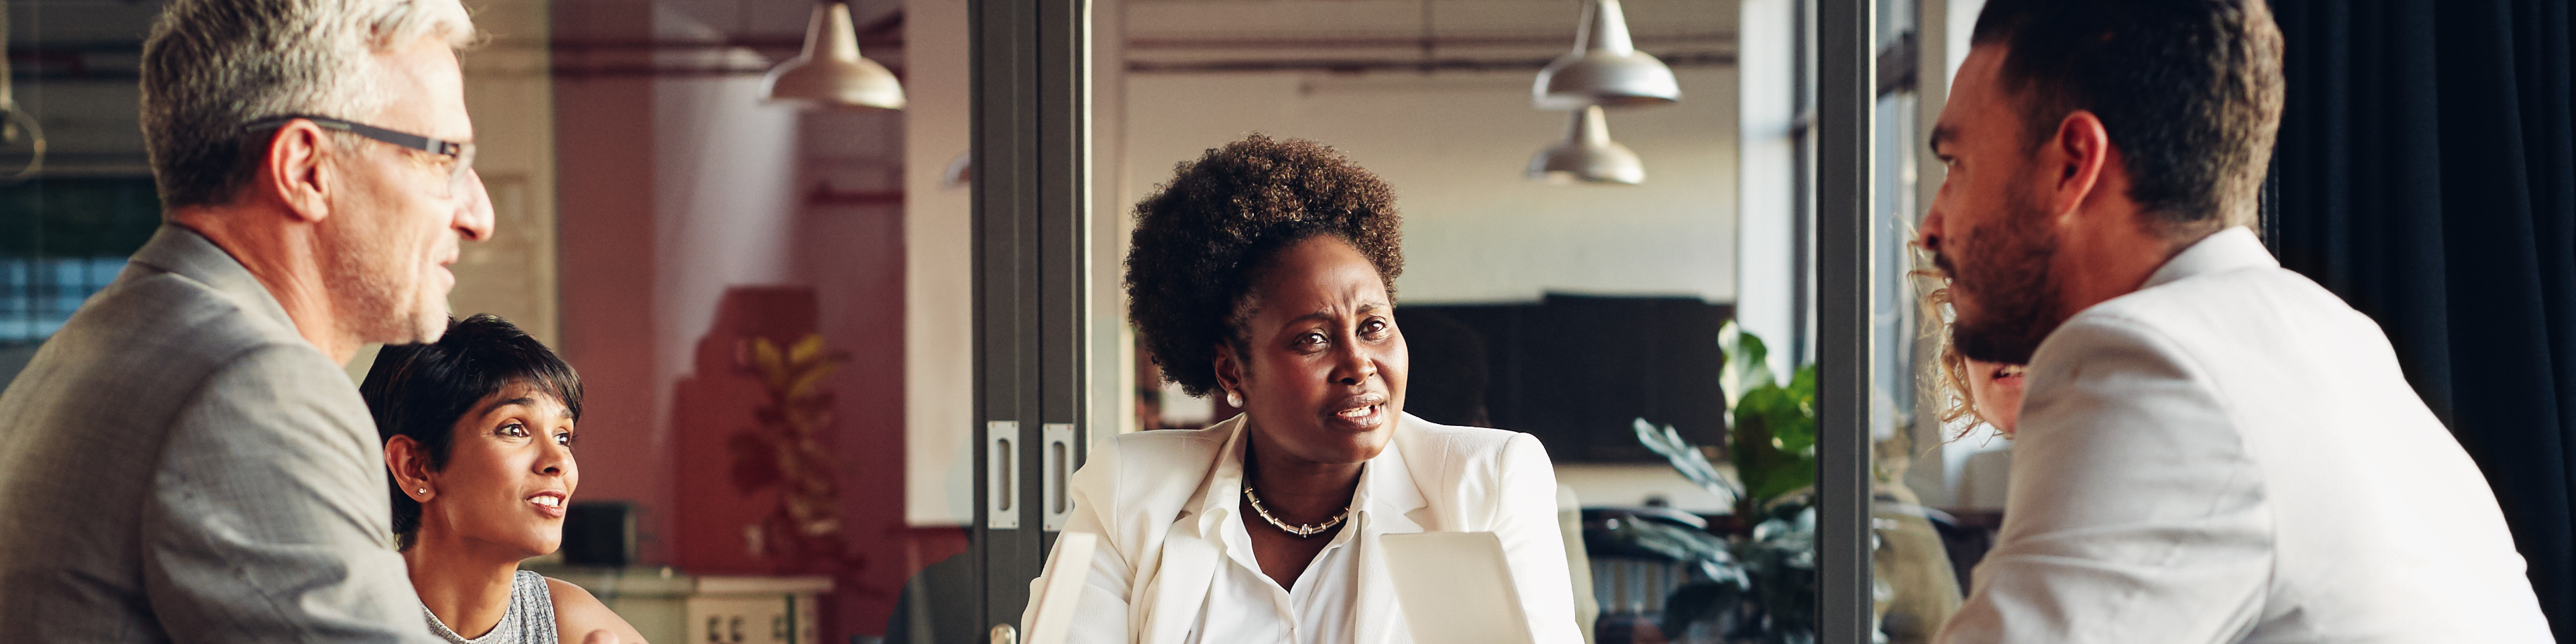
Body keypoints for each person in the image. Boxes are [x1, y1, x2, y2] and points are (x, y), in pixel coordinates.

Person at [1917, 0, 2551, 641]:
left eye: (1957, 165)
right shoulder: (2335, 343)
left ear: (2074, 164)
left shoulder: (2157, 366)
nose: (1931, 228)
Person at [0, 0, 497, 641]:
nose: (477, 214)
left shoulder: (109, 340)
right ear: (305, 170)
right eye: (444, 156)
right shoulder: (257, 388)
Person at [1034, 135, 1580, 644]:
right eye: (1312, 339)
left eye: (1373, 327)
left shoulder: (1485, 483)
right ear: (1232, 372)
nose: (1358, 364)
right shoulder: (1131, 489)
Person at [362, 315, 645, 644]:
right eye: (515, 429)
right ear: (416, 467)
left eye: (563, 437)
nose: (559, 462)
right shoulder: (334, 618)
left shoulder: (569, 625)